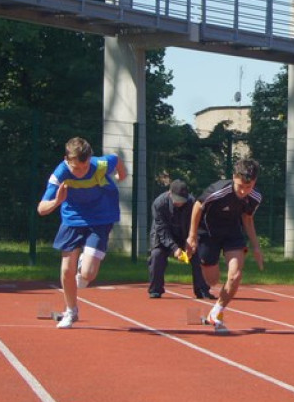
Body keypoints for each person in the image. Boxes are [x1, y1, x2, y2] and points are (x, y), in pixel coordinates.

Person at [37, 136, 126, 329]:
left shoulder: (100, 165)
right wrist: (57, 201)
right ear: (66, 160)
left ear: (90, 159)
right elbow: (42, 209)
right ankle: (71, 311)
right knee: (66, 270)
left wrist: (121, 176)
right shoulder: (59, 174)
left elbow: (117, 161)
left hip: (100, 218)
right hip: (73, 219)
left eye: (84, 168)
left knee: (87, 275)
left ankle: (84, 266)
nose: (80, 172)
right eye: (75, 168)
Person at [187, 158, 264, 333]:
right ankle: (210, 268)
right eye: (240, 186)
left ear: (255, 182)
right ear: (234, 177)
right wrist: (192, 236)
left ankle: (217, 312)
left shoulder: (255, 197)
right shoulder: (218, 191)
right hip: (208, 233)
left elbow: (247, 218)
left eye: (249, 187)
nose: (244, 191)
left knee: (235, 275)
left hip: (232, 234)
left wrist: (256, 246)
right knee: (212, 280)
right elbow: (197, 207)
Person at [147, 179, 213, 299]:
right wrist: (174, 248)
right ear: (169, 194)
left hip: (185, 235)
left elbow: (196, 223)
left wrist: (191, 240)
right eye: (177, 200)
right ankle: (155, 289)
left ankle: (202, 289)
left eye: (183, 200)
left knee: (198, 255)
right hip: (162, 236)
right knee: (156, 255)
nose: (180, 203)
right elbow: (161, 229)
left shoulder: (192, 203)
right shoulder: (159, 204)